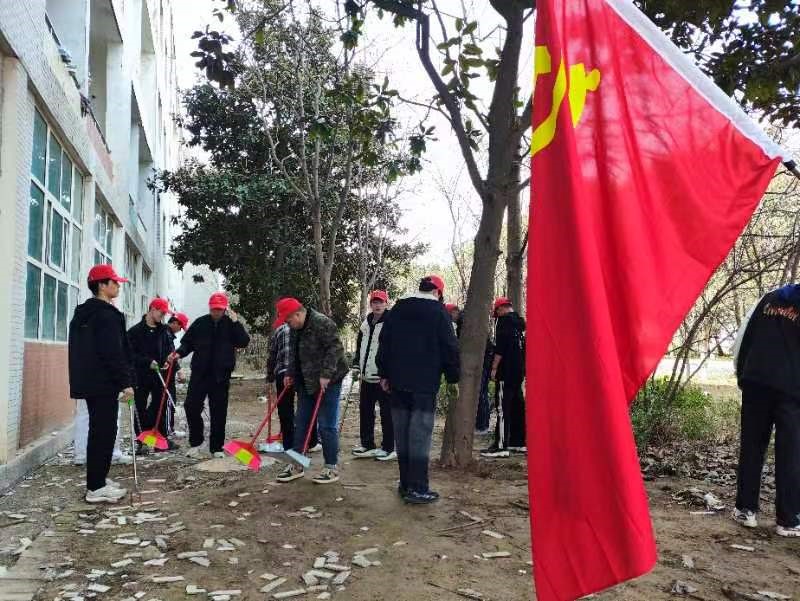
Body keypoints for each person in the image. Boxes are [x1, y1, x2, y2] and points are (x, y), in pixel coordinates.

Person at [376, 275, 460, 504]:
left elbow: (384, 342)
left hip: (397, 383)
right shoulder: (438, 312)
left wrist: (384, 373)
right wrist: (453, 377)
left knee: (402, 434)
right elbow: (449, 347)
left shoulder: (397, 310)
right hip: (424, 384)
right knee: (419, 436)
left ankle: (405, 484)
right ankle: (418, 488)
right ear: (437, 292)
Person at [731, 285, 800, 537]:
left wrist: (742, 374)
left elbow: (745, 337)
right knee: (791, 453)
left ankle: (745, 509)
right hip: (791, 390)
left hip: (756, 382)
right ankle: (788, 520)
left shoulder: (769, 298)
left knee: (751, 446)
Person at [68, 264, 135, 503]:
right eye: (114, 282)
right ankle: (95, 488)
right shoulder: (106, 315)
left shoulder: (84, 312)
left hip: (90, 382)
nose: (118, 286)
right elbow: (113, 352)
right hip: (104, 383)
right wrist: (126, 382)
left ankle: (98, 479)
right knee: (104, 433)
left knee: (99, 432)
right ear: (102, 285)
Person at [275, 298, 349, 484]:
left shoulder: (323, 323)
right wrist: (290, 373)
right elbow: (294, 353)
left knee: (326, 424)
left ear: (298, 314)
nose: (287, 323)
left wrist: (326, 374)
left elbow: (335, 349)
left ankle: (331, 467)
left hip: (329, 380)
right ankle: (298, 464)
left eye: (288, 319)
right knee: (301, 422)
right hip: (306, 380)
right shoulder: (295, 327)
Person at [170, 292, 250, 459]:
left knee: (218, 411)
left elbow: (243, 341)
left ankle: (217, 447)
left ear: (225, 309)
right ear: (209, 308)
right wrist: (179, 353)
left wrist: (236, 322)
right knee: (191, 406)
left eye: (219, 309)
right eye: (213, 309)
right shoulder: (200, 323)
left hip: (221, 375)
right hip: (200, 373)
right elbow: (187, 343)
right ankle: (196, 442)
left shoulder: (231, 324)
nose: (216, 312)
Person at [128, 298, 178, 453]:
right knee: (140, 407)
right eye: (161, 313)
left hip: (159, 375)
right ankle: (141, 441)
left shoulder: (164, 331)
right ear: (152, 309)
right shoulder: (135, 331)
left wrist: (168, 361)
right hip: (140, 375)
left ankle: (158, 439)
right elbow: (129, 355)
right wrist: (147, 362)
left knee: (159, 406)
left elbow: (170, 350)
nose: (163, 316)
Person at [352, 290, 395, 461]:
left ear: (386, 303)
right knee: (365, 411)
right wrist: (356, 365)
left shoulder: (392, 322)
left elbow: (394, 349)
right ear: (371, 304)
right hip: (366, 376)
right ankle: (367, 444)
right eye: (375, 302)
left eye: (380, 302)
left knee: (387, 413)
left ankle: (389, 447)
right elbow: (359, 347)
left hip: (383, 377)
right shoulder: (365, 323)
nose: (377, 305)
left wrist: (390, 373)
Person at [264, 321, 320, 453]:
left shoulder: (279, 330)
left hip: (283, 373)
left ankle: (288, 444)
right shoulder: (307, 329)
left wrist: (270, 376)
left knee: (285, 410)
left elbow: (272, 355)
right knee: (307, 408)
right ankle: (311, 442)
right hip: (303, 373)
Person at [481, 297, 526, 459]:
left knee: (502, 408)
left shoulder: (503, 322)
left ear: (501, 309)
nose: (497, 314)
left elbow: (500, 348)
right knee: (517, 407)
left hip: (505, 372)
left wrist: (494, 368)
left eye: (497, 311)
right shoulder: (520, 324)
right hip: (518, 372)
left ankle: (500, 446)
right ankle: (518, 442)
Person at [165, 312, 190, 438]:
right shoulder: (166, 335)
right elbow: (171, 356)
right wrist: (179, 371)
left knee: (168, 401)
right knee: (169, 401)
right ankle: (168, 431)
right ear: (175, 323)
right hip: (165, 374)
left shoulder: (167, 334)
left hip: (166, 373)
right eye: (180, 327)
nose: (180, 330)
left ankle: (167, 429)